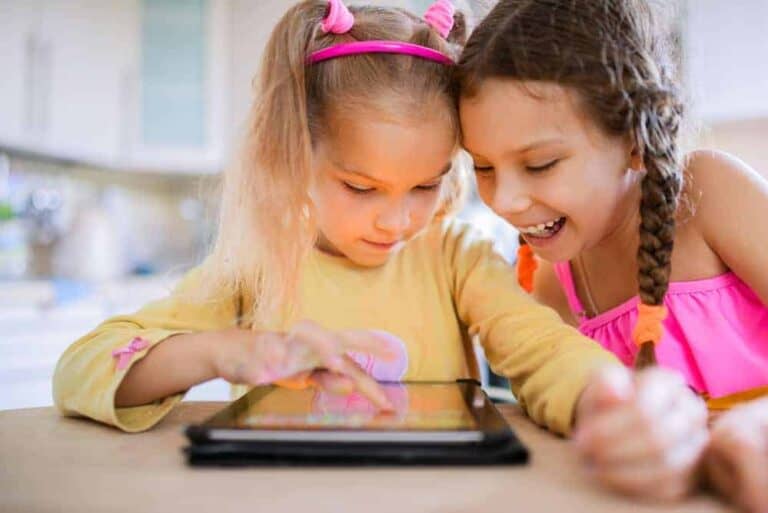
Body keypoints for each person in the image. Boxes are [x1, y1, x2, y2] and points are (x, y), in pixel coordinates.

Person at [456, 0, 768, 508]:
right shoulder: (557, 281)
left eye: (539, 164)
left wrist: (750, 426)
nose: (504, 200)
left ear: (634, 141)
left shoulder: (710, 192)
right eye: (484, 167)